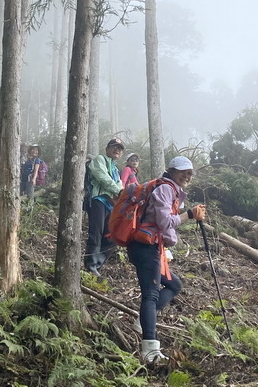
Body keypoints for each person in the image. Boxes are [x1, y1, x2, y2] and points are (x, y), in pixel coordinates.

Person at [126, 156, 206, 364]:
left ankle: (144, 321)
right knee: (150, 296)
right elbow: (164, 222)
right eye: (183, 171)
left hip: (152, 247)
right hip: (145, 247)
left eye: (190, 173)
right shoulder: (165, 189)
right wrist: (189, 214)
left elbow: (164, 221)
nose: (187, 176)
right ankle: (150, 350)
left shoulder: (172, 190)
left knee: (174, 285)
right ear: (171, 170)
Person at [84, 138, 125, 276]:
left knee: (112, 235)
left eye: (119, 148)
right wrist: (119, 191)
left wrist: (123, 194)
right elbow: (102, 176)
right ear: (107, 149)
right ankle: (90, 266)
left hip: (110, 205)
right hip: (98, 200)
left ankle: (97, 264)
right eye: (114, 147)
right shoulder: (99, 159)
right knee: (96, 232)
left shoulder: (115, 169)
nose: (117, 150)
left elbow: (120, 185)